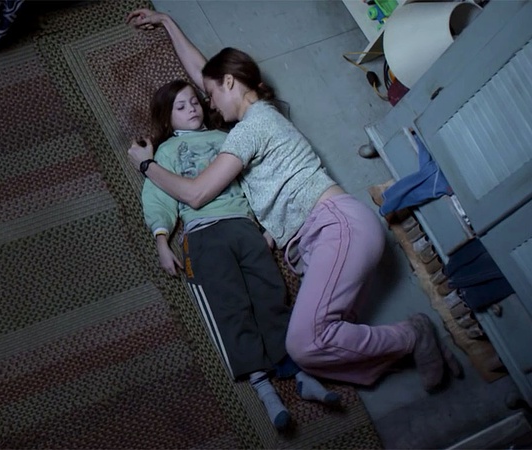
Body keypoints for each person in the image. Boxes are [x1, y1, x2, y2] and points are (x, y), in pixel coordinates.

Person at [126, 9, 463, 392]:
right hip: (321, 240)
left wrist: (147, 165)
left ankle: (413, 334)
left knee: (303, 344)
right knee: (324, 350)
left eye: (211, 95)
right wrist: (168, 23)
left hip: (335, 226)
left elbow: (197, 193)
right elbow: (211, 75)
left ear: (230, 83)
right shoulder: (256, 120)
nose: (210, 106)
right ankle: (413, 349)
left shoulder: (251, 129)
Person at [140, 78, 339, 431]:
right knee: (228, 307)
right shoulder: (166, 152)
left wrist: (270, 229)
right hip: (203, 234)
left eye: (194, 101)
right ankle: (264, 390)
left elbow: (257, 183)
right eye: (180, 107)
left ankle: (300, 374)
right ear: (167, 118)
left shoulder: (228, 138)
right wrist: (161, 241)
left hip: (244, 227)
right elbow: (158, 198)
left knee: (271, 294)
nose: (192, 109)